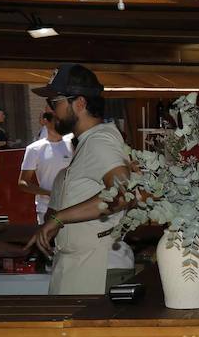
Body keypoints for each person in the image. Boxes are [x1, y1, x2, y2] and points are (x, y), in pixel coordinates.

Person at [28, 65, 133, 295]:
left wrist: (59, 218)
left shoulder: (99, 141)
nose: (50, 110)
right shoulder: (88, 142)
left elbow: (123, 193)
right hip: (83, 265)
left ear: (80, 104)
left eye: (55, 102)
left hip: (96, 267)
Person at [18, 110, 73, 223]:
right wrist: (49, 193)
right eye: (56, 120)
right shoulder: (34, 149)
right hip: (46, 208)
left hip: (73, 206)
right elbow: (23, 183)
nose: (60, 123)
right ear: (46, 122)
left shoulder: (72, 144)